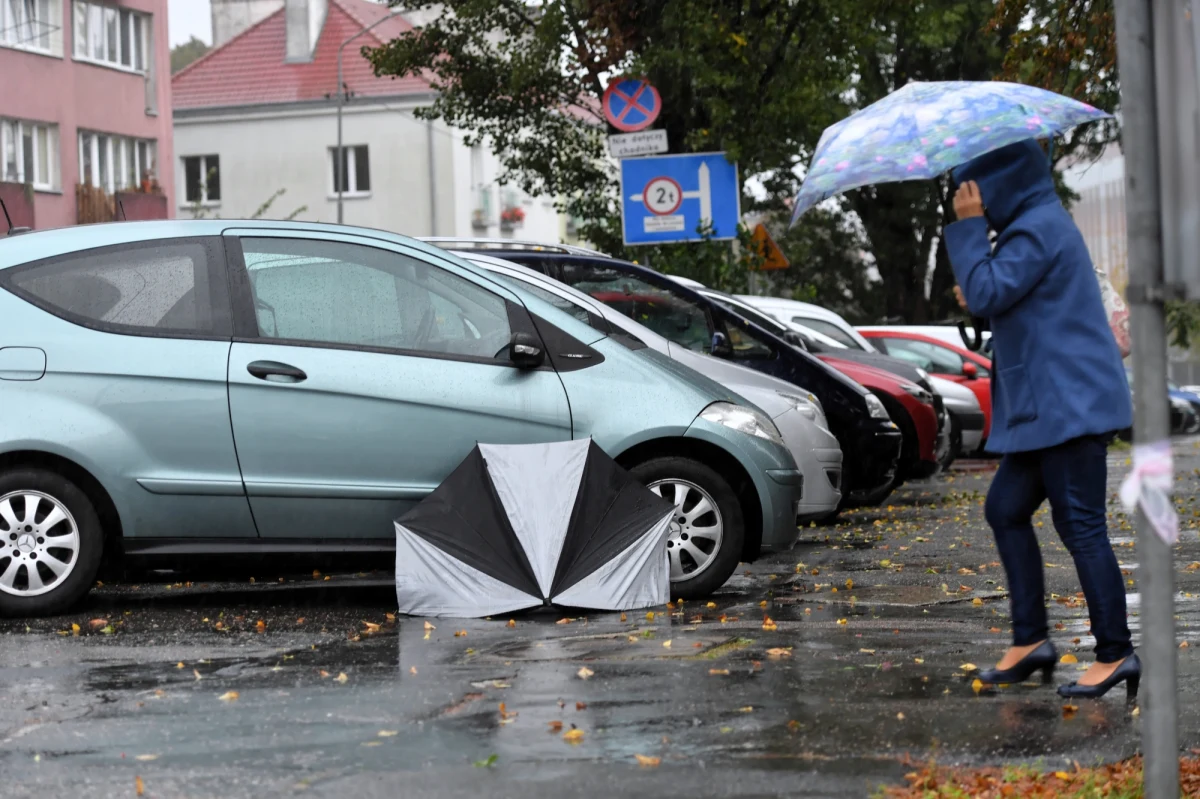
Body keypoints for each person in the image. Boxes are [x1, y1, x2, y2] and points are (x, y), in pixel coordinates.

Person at [945, 138, 1138, 699]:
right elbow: (1008, 298)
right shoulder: (1033, 227)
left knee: (1081, 525)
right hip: (1050, 409)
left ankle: (1116, 653)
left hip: (1069, 406)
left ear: (999, 183)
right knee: (1005, 509)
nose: (972, 200)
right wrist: (978, 280)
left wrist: (968, 229)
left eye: (975, 190)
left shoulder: (1037, 228)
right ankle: (1031, 640)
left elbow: (989, 291)